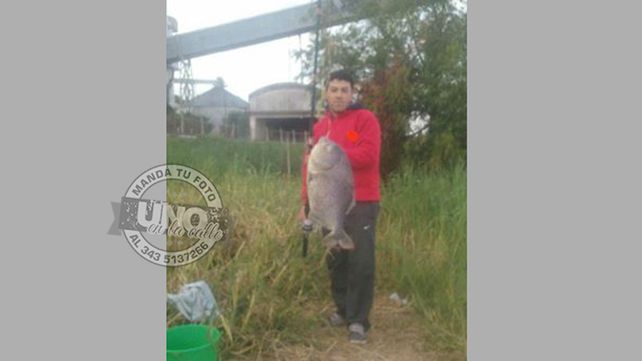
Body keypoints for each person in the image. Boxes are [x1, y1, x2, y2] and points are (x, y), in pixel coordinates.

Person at [300, 69, 381, 344]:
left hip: (362, 202)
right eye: (333, 89)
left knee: (360, 261)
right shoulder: (320, 127)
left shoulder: (365, 119)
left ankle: (358, 320)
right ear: (326, 92)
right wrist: (305, 203)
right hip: (325, 203)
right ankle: (343, 310)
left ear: (352, 92)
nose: (338, 95)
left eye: (344, 89)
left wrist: (335, 153)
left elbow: (369, 155)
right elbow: (309, 169)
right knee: (336, 259)